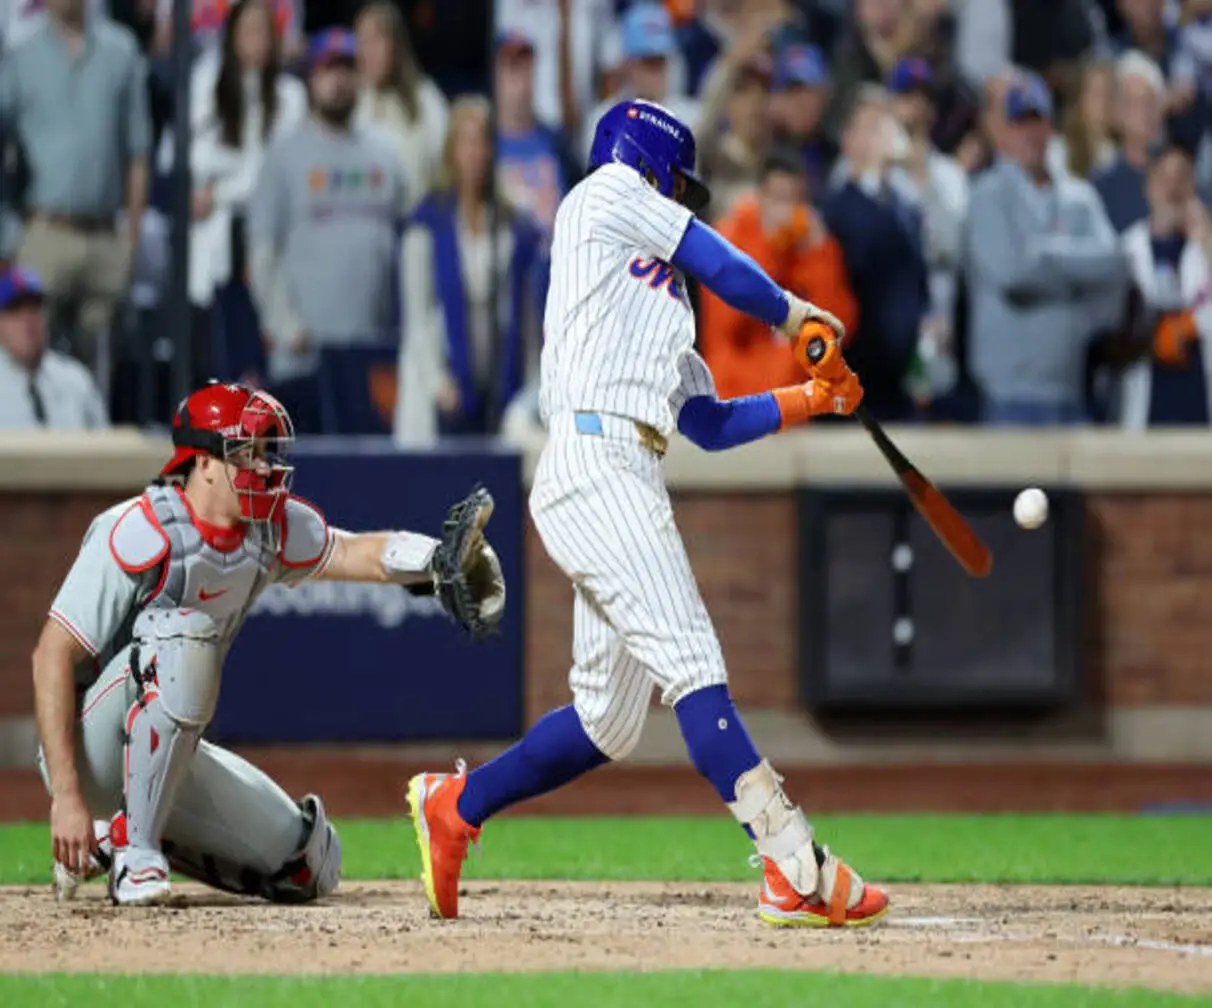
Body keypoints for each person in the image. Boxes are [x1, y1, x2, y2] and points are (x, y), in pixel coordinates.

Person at [408, 98, 889, 929]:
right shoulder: (603, 194)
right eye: (678, 182)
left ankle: (457, 806)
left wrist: (812, 398)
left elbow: (707, 422)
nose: (680, 196)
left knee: (609, 721)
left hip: (630, 466)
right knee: (695, 665)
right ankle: (793, 864)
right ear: (650, 161)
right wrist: (795, 313)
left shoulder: (659, 303)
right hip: (596, 463)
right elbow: (723, 261)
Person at [36, 381, 506, 906]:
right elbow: (51, 655)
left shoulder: (268, 529)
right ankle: (137, 856)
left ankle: (116, 837)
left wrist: (437, 561)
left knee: (311, 863)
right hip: (91, 749)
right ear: (204, 463)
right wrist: (69, 796)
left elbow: (356, 553)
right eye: (245, 453)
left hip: (170, 751)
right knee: (186, 633)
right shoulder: (136, 529)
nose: (262, 466)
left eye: (263, 452)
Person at [247, 28, 406, 433]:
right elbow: (262, 254)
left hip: (370, 353)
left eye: (346, 69)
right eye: (327, 70)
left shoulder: (386, 154)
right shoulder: (283, 156)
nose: (338, 81)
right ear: (311, 79)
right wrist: (285, 327)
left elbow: (409, 246)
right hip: (305, 356)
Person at [1, 0, 151, 391]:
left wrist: (131, 240)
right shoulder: (21, 55)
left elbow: (138, 151)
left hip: (104, 234)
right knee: (29, 364)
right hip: (44, 230)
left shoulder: (122, 50)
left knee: (97, 376)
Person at [965, 70, 1126, 425]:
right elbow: (1012, 273)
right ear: (1002, 133)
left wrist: (1047, 257)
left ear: (1050, 128)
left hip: (1072, 390)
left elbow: (1114, 266)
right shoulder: (987, 195)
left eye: (1037, 122)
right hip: (1008, 397)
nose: (1030, 134)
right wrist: (1075, 285)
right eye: (1020, 123)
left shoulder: (1079, 197)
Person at [395, 96, 542, 442]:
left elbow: (526, 319)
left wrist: (530, 390)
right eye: (467, 141)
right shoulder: (425, 226)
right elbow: (417, 317)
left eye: (483, 141)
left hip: (500, 392)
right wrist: (438, 382)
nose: (476, 153)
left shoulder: (512, 228)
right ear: (451, 150)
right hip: (438, 393)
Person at [188, 0, 306, 386]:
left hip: (274, 244)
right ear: (232, 37)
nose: (255, 39)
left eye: (263, 30)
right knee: (224, 364)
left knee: (268, 367)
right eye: (247, 30)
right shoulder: (207, 85)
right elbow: (192, 159)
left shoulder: (291, 96)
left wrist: (221, 190)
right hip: (221, 245)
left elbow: (273, 174)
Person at [700, 148, 858, 399]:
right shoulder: (730, 237)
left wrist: (819, 253)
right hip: (731, 392)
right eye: (778, 198)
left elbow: (838, 329)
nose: (786, 209)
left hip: (793, 397)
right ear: (760, 197)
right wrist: (769, 250)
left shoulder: (811, 246)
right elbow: (725, 325)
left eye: (794, 200)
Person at [1120, 144, 1212, 426]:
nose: (1173, 189)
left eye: (1181, 179)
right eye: (1164, 179)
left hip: (1198, 400)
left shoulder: (1204, 246)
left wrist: (1206, 240)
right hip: (1145, 397)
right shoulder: (1125, 249)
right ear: (1149, 187)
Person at [354, 1, 450, 214]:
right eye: (361, 41)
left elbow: (442, 169)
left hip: (414, 222)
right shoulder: (351, 102)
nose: (367, 51)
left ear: (396, 45)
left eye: (376, 40)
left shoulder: (425, 99)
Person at [0, 267, 107, 429]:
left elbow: (106, 446)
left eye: (35, 308)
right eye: (15, 310)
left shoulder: (75, 379)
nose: (28, 320)